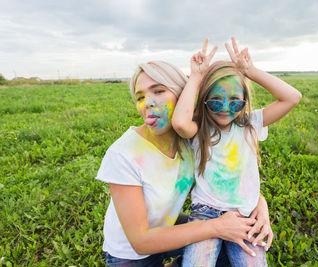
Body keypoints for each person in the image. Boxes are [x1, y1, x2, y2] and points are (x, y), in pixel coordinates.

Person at [96, 59, 274, 267]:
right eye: (140, 97)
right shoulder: (123, 154)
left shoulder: (192, 139)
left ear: (183, 95)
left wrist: (259, 204)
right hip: (131, 255)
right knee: (220, 232)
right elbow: (141, 242)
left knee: (232, 245)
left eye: (159, 91)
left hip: (166, 227)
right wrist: (216, 227)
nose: (148, 103)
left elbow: (226, 177)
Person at [172, 37, 302, 266]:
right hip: (205, 213)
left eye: (234, 101)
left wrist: (249, 71)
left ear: (245, 100)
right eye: (215, 101)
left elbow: (292, 97)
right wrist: (196, 77)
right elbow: (181, 123)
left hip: (246, 214)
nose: (224, 108)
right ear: (203, 101)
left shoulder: (250, 124)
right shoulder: (200, 128)